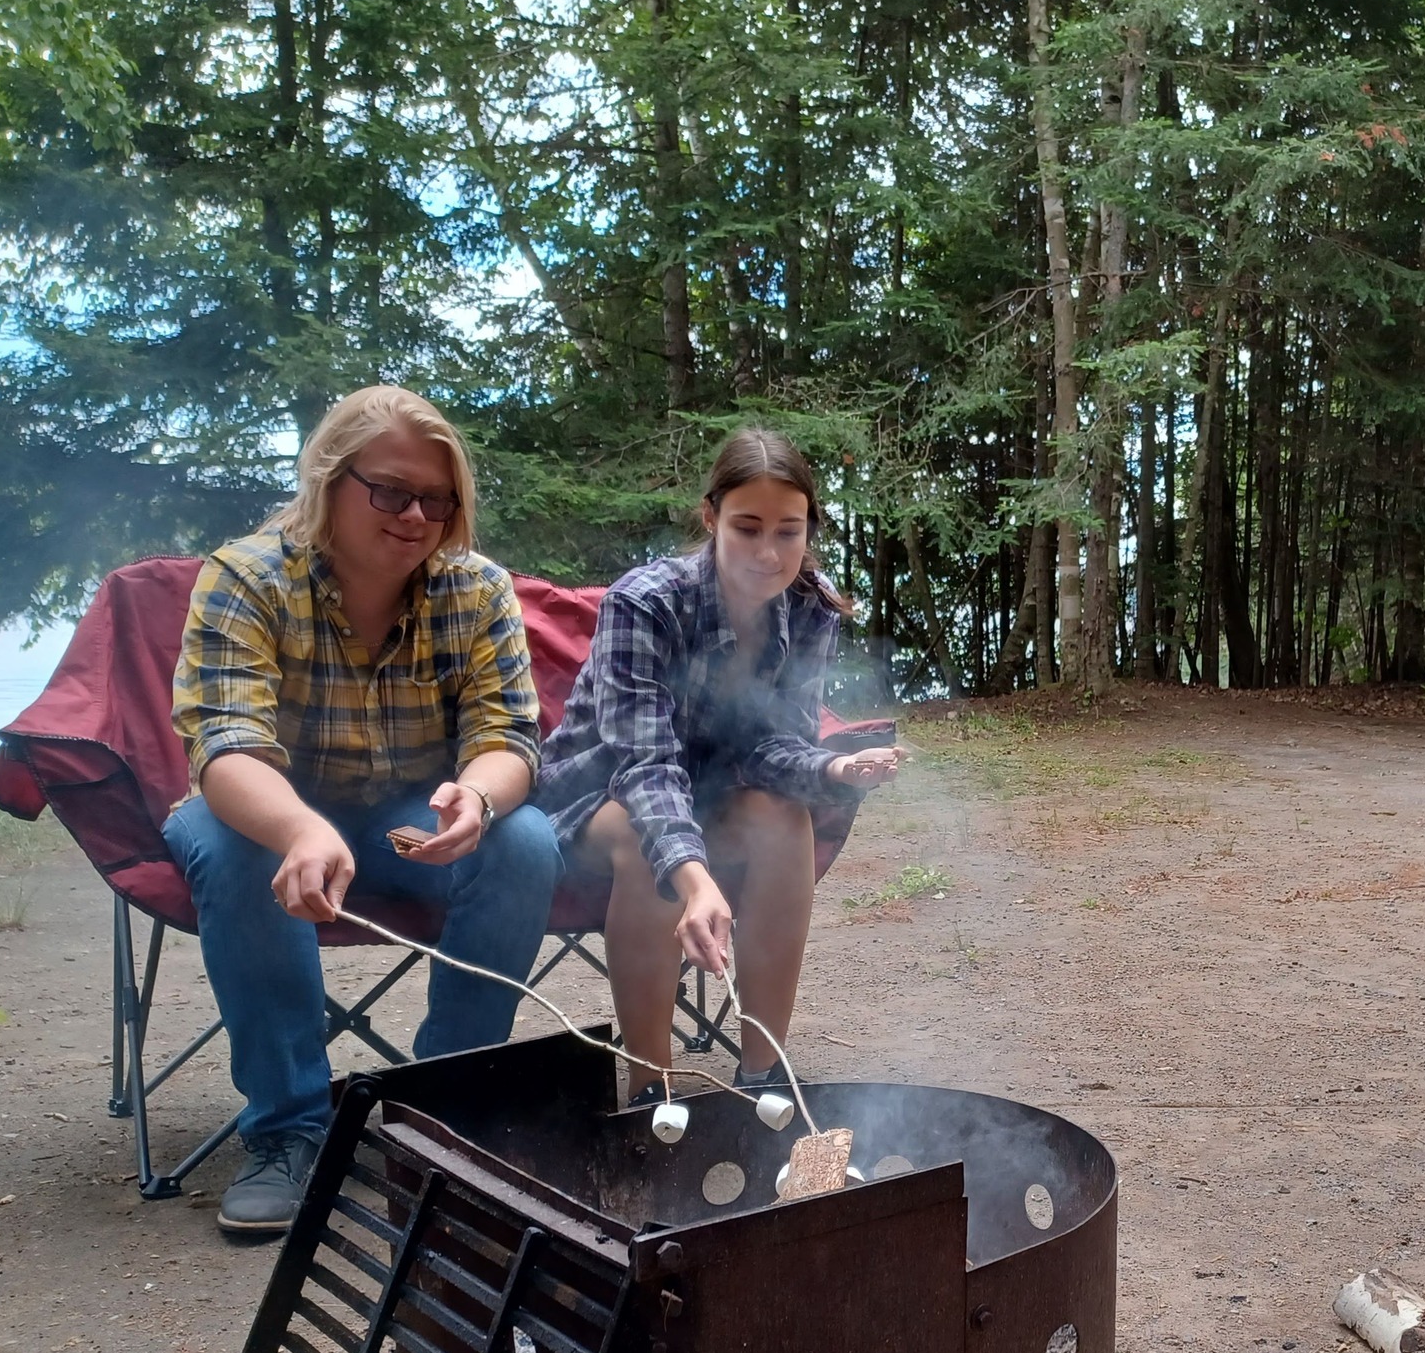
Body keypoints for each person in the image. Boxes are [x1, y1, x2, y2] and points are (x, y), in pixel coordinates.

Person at [164, 386, 563, 1236]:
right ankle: (288, 1132)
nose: (415, 514)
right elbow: (225, 744)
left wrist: (481, 797)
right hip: (262, 805)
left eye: (436, 498)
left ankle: (445, 1117)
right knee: (235, 848)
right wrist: (299, 827)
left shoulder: (476, 589)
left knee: (523, 842)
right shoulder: (246, 577)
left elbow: (508, 733)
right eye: (389, 490)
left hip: (403, 815)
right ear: (326, 479)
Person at [534, 427, 904, 1100]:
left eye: (788, 531)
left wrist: (831, 770)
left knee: (783, 817)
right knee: (656, 846)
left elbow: (772, 747)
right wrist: (696, 875)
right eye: (748, 527)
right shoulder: (644, 602)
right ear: (712, 518)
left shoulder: (810, 609)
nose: (769, 552)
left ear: (809, 528)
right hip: (597, 795)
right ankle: (653, 1091)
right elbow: (643, 767)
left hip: (710, 795)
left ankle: (765, 1076)